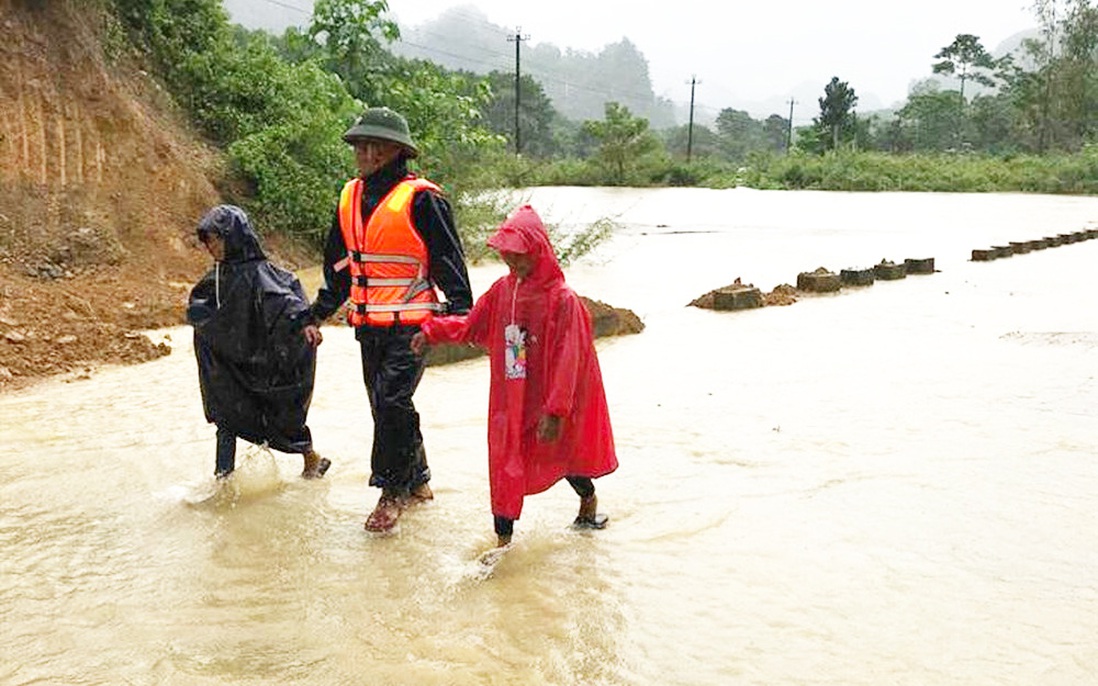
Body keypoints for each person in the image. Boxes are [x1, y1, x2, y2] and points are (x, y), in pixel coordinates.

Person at [411, 205, 618, 548]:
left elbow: (570, 361)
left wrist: (555, 412)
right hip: (510, 396)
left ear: (538, 251)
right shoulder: (502, 291)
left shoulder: (563, 301)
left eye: (519, 257)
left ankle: (588, 501)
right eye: (507, 257)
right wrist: (432, 330)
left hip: (549, 395)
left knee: (564, 455)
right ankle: (502, 544)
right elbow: (471, 325)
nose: (513, 264)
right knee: (504, 461)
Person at [307, 107, 473, 533]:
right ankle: (418, 481)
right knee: (384, 405)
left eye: (372, 145)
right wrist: (318, 313)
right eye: (359, 145)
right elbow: (340, 266)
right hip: (368, 326)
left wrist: (460, 316)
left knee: (391, 401)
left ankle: (391, 491)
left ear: (396, 150)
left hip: (414, 326)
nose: (362, 152)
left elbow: (449, 261)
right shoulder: (349, 197)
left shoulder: (423, 199)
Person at [187, 205, 330, 480]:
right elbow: (202, 314)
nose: (212, 246)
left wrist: (305, 323)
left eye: (217, 239)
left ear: (234, 237)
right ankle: (223, 480)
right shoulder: (215, 279)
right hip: (229, 367)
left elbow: (285, 303)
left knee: (277, 416)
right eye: (209, 240)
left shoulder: (261, 273)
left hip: (261, 362)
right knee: (225, 418)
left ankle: (311, 458)